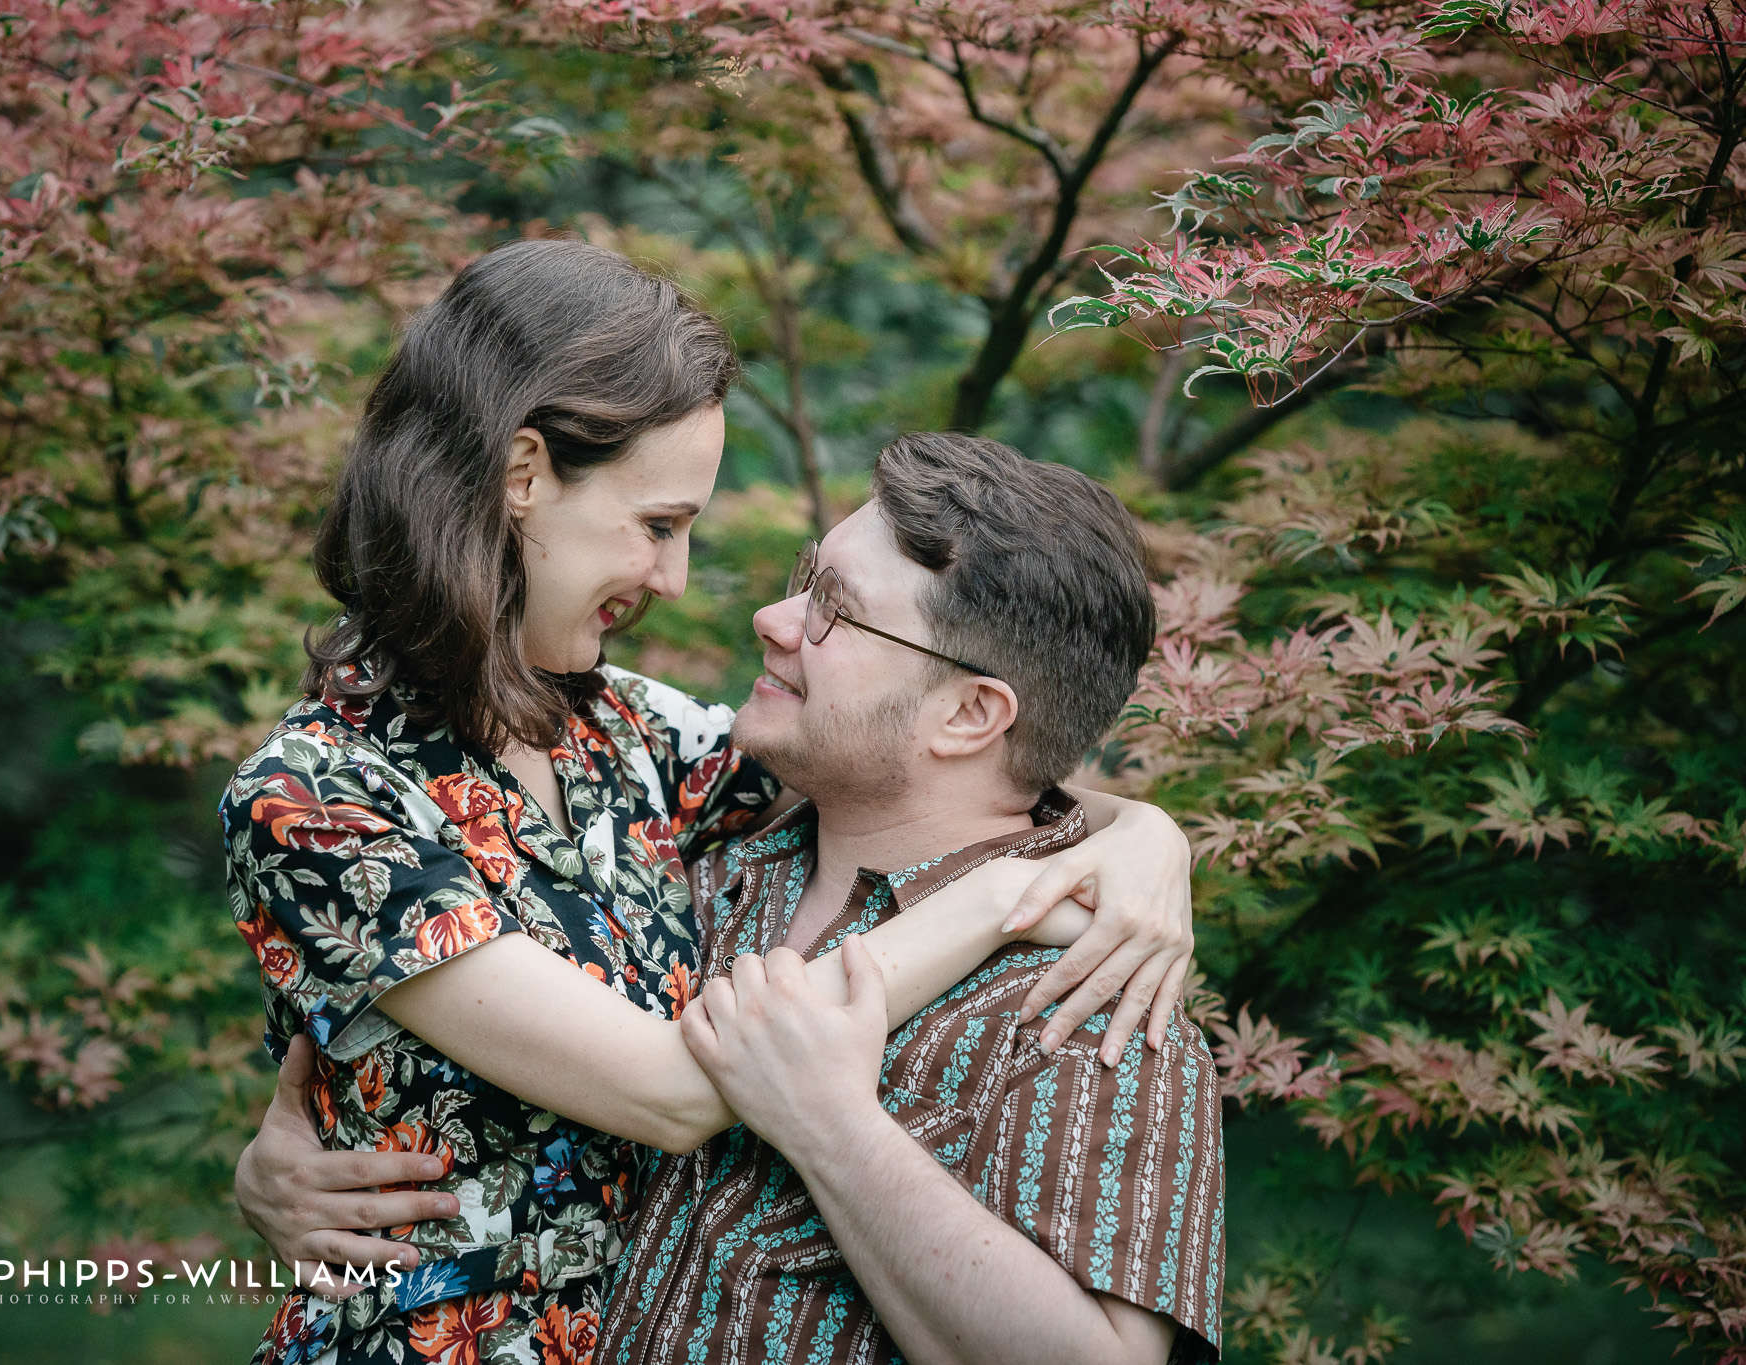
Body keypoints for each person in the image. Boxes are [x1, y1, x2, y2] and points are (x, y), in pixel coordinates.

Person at [220, 239, 1197, 1365]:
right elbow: (676, 1092)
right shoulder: (316, 798)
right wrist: (1005, 902)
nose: (678, 580)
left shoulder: (624, 733)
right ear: (522, 474)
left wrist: (1142, 837)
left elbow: (950, 764)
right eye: (656, 525)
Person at [610, 433, 1224, 1365]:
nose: (775, 620)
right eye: (804, 577)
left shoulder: (1089, 995)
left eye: (834, 611)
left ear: (970, 715)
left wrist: (834, 1129)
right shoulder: (701, 844)